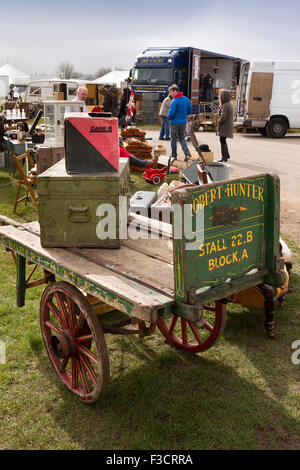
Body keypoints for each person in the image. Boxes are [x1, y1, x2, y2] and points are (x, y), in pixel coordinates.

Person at [167, 85, 193, 162]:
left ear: (175, 91)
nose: (170, 94)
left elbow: (171, 113)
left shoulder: (174, 101)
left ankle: (174, 155)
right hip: (183, 122)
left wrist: (169, 118)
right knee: (182, 138)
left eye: (171, 92)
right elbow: (190, 111)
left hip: (174, 123)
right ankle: (187, 153)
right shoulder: (187, 100)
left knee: (173, 139)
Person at [217, 89, 234, 162]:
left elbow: (223, 117)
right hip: (228, 126)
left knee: (222, 140)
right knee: (223, 140)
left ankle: (224, 157)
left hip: (224, 126)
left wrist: (218, 121)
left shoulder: (225, 105)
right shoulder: (228, 104)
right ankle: (227, 155)